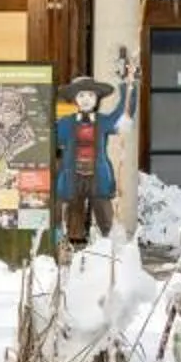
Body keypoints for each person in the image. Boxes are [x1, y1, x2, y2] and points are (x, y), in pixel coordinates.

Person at [54, 75, 127, 244]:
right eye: (81, 96)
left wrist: (128, 88)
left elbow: (122, 116)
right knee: (71, 220)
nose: (86, 100)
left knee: (106, 220)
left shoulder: (103, 122)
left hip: (98, 177)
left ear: (97, 99)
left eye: (90, 95)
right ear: (74, 99)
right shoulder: (66, 123)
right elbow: (50, 135)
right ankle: (69, 251)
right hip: (73, 178)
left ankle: (110, 251)